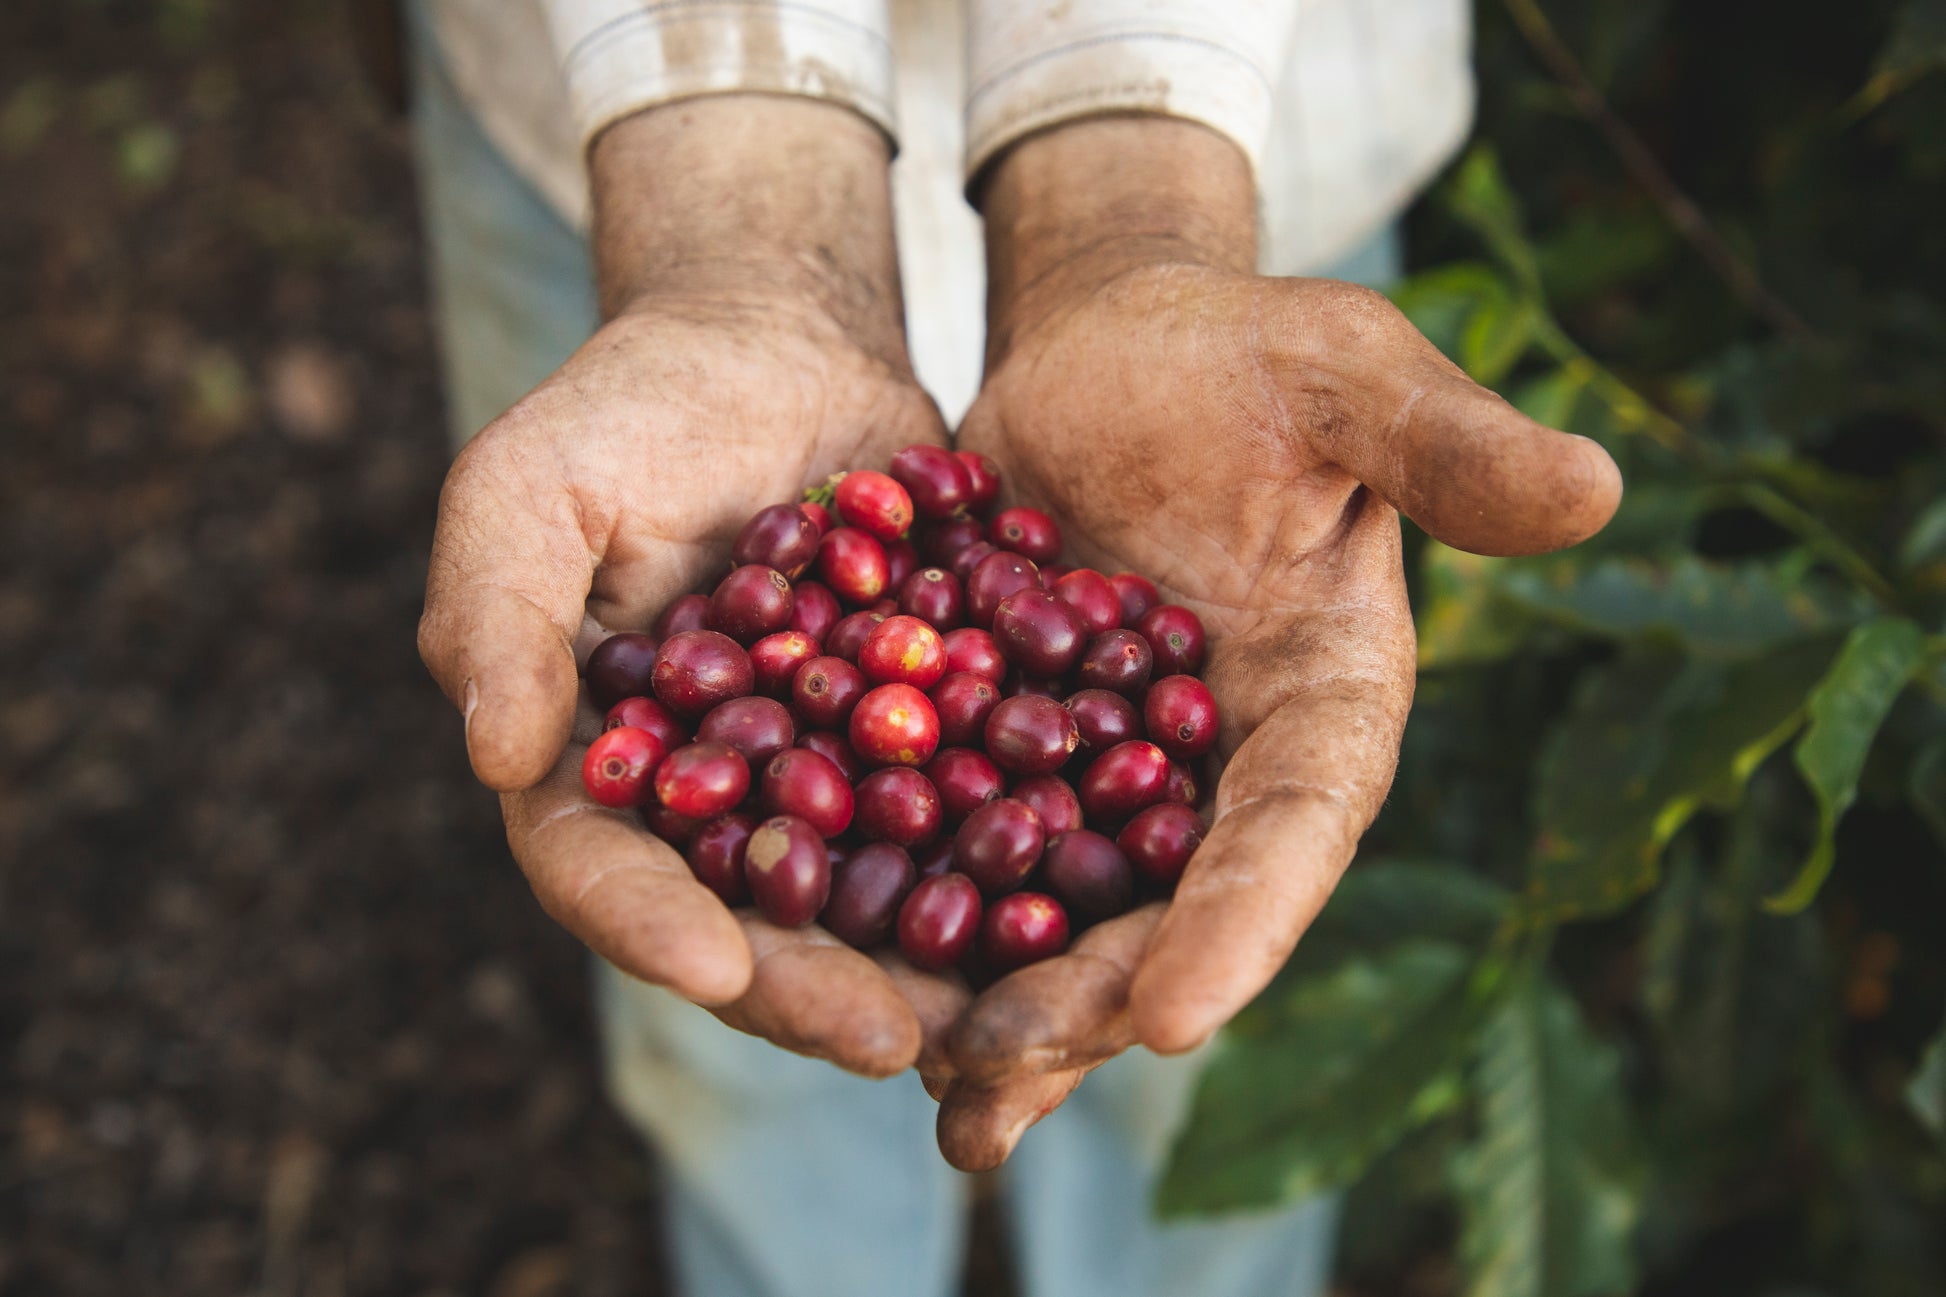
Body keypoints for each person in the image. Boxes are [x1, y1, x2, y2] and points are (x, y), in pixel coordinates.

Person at [406, 3, 1622, 1294]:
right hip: (630, 134)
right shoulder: (869, 657)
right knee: (725, 1023)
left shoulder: (942, 665)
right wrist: (730, 235)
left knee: (1185, 1019)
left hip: (1249, 146)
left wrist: (1125, 206)